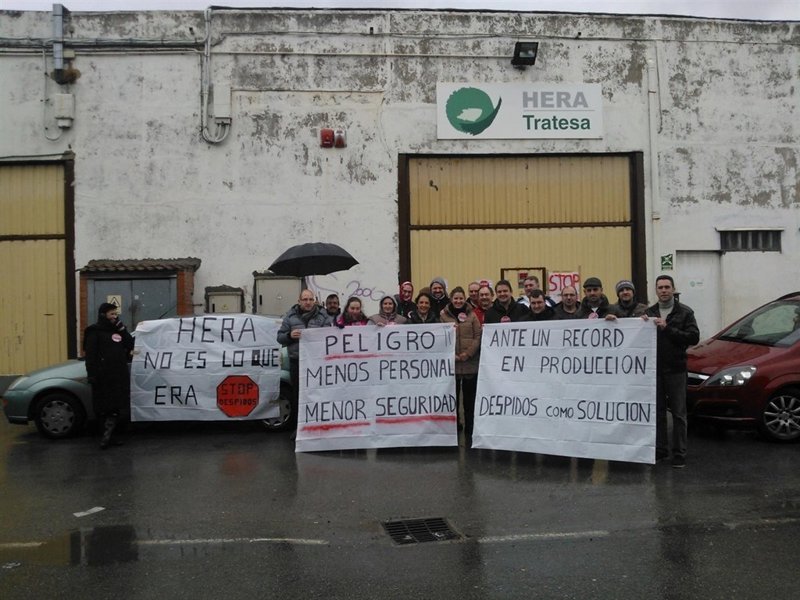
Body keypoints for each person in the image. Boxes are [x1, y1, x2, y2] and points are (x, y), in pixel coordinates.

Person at [643, 275, 699, 468]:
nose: (664, 290)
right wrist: (641, 325)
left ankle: (679, 453)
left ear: (673, 289)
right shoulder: (649, 312)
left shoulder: (685, 312)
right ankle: (661, 450)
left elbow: (693, 337)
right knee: (658, 412)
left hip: (676, 369)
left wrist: (668, 328)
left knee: (678, 413)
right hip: (655, 370)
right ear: (656, 291)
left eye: (667, 287)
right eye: (660, 287)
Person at [277, 290, 333, 432]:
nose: (308, 302)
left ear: (314, 301)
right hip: (297, 362)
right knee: (298, 395)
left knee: (318, 394)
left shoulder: (323, 316)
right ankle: (298, 429)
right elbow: (279, 338)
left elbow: (329, 336)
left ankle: (318, 426)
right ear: (299, 301)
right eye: (305, 299)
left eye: (310, 299)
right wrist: (290, 336)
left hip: (317, 363)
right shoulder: (290, 317)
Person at [83, 302, 134, 449]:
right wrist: (92, 374)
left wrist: (123, 330)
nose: (114, 317)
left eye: (116, 314)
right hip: (103, 376)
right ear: (103, 315)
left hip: (118, 375)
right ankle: (105, 436)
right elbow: (90, 356)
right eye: (111, 314)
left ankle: (111, 436)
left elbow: (130, 344)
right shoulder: (94, 331)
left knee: (116, 407)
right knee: (104, 407)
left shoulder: (117, 330)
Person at [439, 287, 482, 445]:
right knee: (453, 399)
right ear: (451, 299)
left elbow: (478, 336)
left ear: (464, 299)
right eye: (455, 298)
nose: (458, 301)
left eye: (461, 298)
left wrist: (468, 353)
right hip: (452, 365)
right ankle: (455, 425)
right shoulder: (443, 316)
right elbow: (440, 337)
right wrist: (452, 355)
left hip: (470, 363)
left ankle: (470, 426)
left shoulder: (472, 315)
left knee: (470, 400)